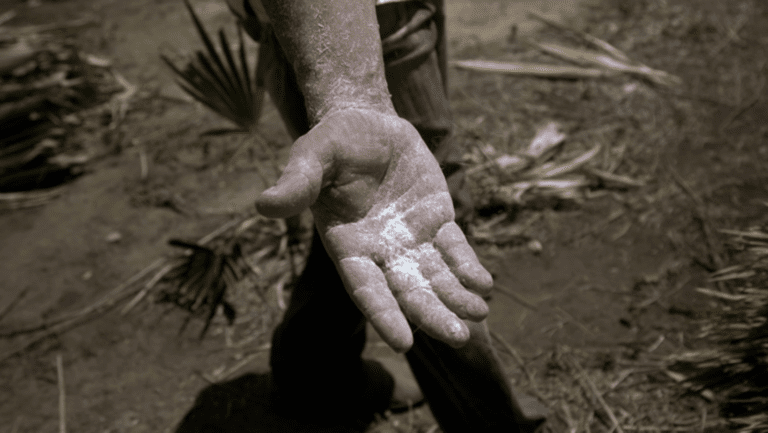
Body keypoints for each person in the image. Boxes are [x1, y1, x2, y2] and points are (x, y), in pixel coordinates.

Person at [206, 0, 547, 431]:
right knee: (418, 230)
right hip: (358, 20)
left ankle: (313, 376)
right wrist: (352, 100)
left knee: (357, 212)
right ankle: (491, 423)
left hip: (365, 18)